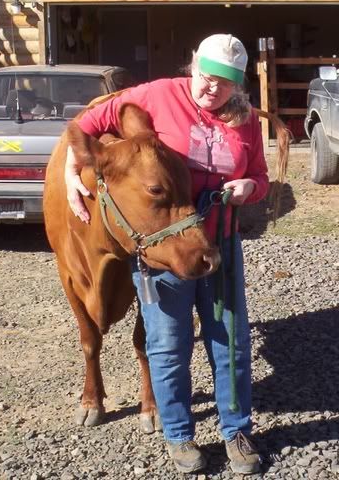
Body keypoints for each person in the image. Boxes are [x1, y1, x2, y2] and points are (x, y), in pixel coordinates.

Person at [63, 34, 267, 475]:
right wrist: (67, 174)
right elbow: (87, 127)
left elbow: (261, 176)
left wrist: (251, 188)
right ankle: (178, 434)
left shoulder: (245, 118)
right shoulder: (157, 95)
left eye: (226, 83)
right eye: (207, 76)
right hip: (162, 247)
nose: (213, 89)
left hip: (218, 241)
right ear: (192, 66)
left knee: (229, 342)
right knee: (167, 345)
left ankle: (236, 430)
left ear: (238, 85)